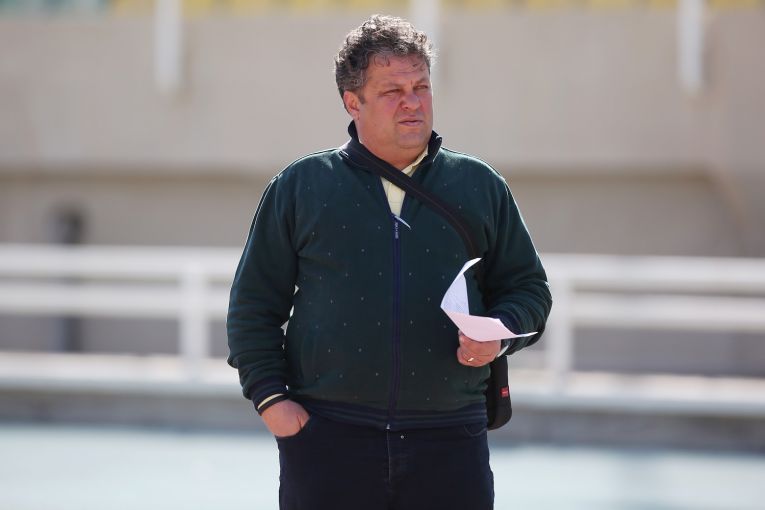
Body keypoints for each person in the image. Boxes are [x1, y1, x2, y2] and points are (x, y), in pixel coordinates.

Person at [227, 14, 552, 510]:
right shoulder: (301, 186)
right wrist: (272, 400)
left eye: (421, 86)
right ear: (352, 102)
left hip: (451, 440)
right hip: (328, 441)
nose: (412, 102)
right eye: (392, 91)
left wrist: (500, 334)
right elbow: (253, 306)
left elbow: (529, 290)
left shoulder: (480, 186)